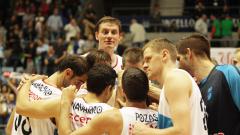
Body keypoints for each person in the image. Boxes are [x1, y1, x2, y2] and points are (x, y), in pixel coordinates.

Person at [132, 38, 208, 135]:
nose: (145, 65)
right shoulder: (175, 79)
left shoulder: (175, 78)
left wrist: (146, 131)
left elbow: (182, 131)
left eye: (148, 59)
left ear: (164, 55)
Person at [59, 68, 158, 135]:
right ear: (148, 90)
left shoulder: (112, 116)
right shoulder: (162, 116)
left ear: (123, 91)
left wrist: (65, 102)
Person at [176, 34, 240, 135]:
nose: (178, 65)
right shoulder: (195, 89)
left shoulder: (228, 72)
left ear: (188, 53)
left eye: (178, 59)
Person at [12, 55, 89, 135]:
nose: (79, 87)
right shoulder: (62, 100)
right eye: (79, 82)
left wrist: (27, 81)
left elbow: (9, 127)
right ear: (68, 73)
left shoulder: (31, 82)